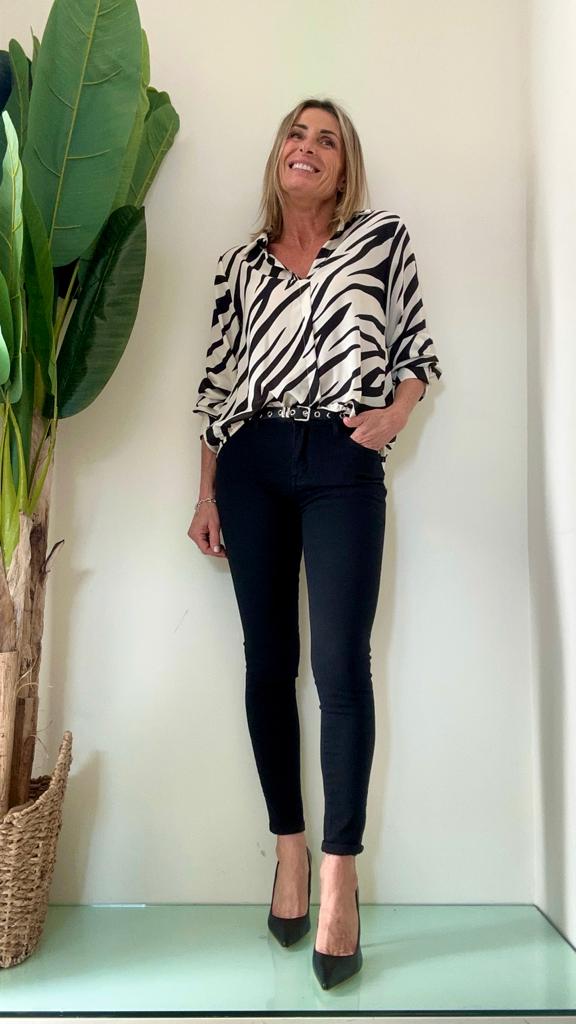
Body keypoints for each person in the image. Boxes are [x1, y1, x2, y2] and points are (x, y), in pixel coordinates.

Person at [187, 96, 442, 989]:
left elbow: (417, 351)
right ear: (279, 155)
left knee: (339, 666)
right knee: (268, 664)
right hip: (252, 462)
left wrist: (393, 415)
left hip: (341, 459)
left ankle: (339, 873)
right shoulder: (239, 266)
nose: (308, 147)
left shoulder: (380, 239)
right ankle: (288, 850)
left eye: (327, 140)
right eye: (297, 134)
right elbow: (217, 384)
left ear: (344, 166)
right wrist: (206, 491)